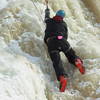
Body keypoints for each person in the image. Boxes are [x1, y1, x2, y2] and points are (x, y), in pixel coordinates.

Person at [44, 7, 85, 92]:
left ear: (56, 15)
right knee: (71, 54)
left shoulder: (49, 21)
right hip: (62, 40)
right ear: (62, 17)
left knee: (57, 62)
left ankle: (62, 76)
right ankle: (77, 61)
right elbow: (66, 36)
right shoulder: (64, 24)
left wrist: (47, 10)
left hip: (51, 42)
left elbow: (46, 16)